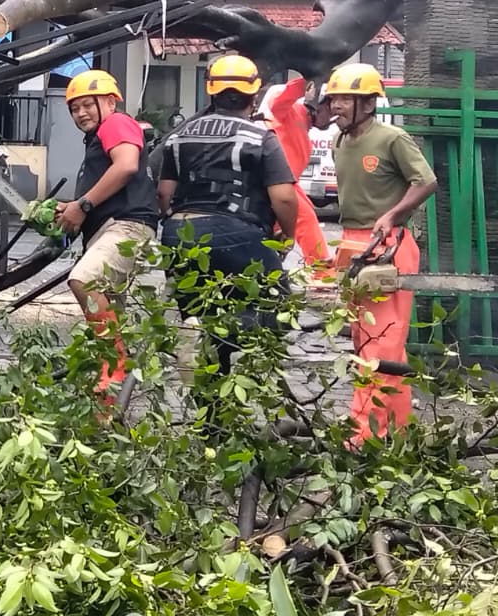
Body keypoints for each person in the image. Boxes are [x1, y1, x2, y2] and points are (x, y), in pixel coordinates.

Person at [156, 55, 298, 423]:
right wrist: (287, 239)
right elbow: (283, 197)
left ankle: (211, 417)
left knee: (202, 315)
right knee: (275, 304)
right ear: (254, 94)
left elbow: (164, 194)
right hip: (237, 231)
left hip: (180, 234)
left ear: (212, 92)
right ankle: (260, 392)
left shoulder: (180, 135)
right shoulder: (260, 137)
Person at [324, 63, 437, 445]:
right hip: (354, 243)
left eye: (344, 99)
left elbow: (427, 180)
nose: (336, 106)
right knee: (364, 339)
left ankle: (361, 434)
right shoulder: (340, 142)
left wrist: (392, 214)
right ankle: (398, 429)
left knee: (381, 343)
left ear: (368, 104)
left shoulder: (392, 139)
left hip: (387, 245)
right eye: (334, 98)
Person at [55, 69, 158, 404]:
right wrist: (71, 208)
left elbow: (126, 165)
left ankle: (115, 365)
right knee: (113, 318)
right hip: (109, 228)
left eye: (88, 104)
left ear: (111, 102)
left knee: (84, 280)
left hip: (125, 226)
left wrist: (83, 204)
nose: (80, 113)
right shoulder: (99, 139)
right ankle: (109, 414)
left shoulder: (116, 123)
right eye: (74, 108)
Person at [261, 77, 332, 266]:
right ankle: (321, 272)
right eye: (331, 107)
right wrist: (309, 77)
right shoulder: (291, 112)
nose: (334, 115)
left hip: (280, 186)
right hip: (274, 184)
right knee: (307, 221)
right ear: (317, 103)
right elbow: (279, 101)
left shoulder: (305, 136)